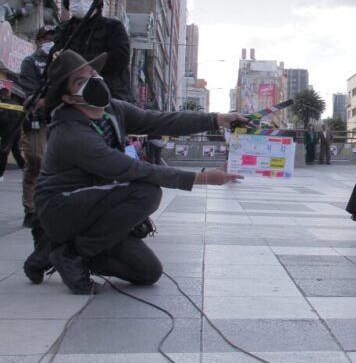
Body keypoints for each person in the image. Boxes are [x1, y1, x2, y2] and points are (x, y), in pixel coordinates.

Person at [22, 50, 248, 295]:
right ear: (68, 98)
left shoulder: (113, 110)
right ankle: (71, 253)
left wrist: (217, 119)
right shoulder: (71, 134)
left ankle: (52, 251)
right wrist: (201, 178)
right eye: (80, 81)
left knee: (147, 272)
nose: (93, 81)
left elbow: (162, 120)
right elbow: (130, 169)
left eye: (93, 74)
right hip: (62, 207)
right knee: (146, 193)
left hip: (96, 205)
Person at [52, 0, 134, 102]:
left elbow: (120, 58)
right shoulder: (63, 30)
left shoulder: (113, 27)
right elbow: (52, 64)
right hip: (72, 100)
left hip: (110, 98)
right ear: (67, 1)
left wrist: (77, 60)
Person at [18, 26, 56, 229]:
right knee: (35, 161)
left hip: (61, 120)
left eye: (53, 38)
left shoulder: (63, 62)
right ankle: (31, 209)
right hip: (38, 121)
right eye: (46, 38)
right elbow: (34, 96)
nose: (49, 41)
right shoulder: (30, 62)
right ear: (39, 40)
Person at [0, 87, 24, 183]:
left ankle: (0, 174)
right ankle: (25, 170)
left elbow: (3, 120)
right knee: (16, 152)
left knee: (3, 153)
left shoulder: (3, 105)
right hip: (17, 132)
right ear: (8, 94)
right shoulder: (16, 104)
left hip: (7, 132)